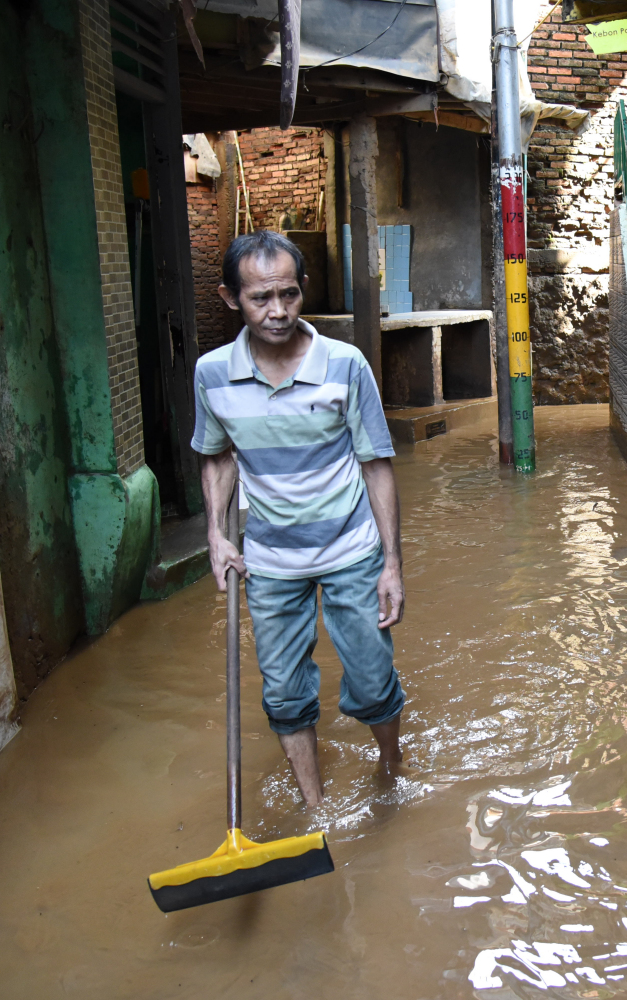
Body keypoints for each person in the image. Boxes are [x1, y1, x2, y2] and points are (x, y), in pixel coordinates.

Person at [193, 230, 407, 807]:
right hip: (270, 561)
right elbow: (217, 455)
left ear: (303, 288)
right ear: (230, 298)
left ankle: (392, 769)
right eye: (260, 298)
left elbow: (376, 463)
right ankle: (316, 812)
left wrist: (391, 564)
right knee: (285, 695)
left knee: (373, 681)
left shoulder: (345, 364)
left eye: (289, 294)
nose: (278, 311)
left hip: (350, 551)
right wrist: (215, 534)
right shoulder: (212, 374)